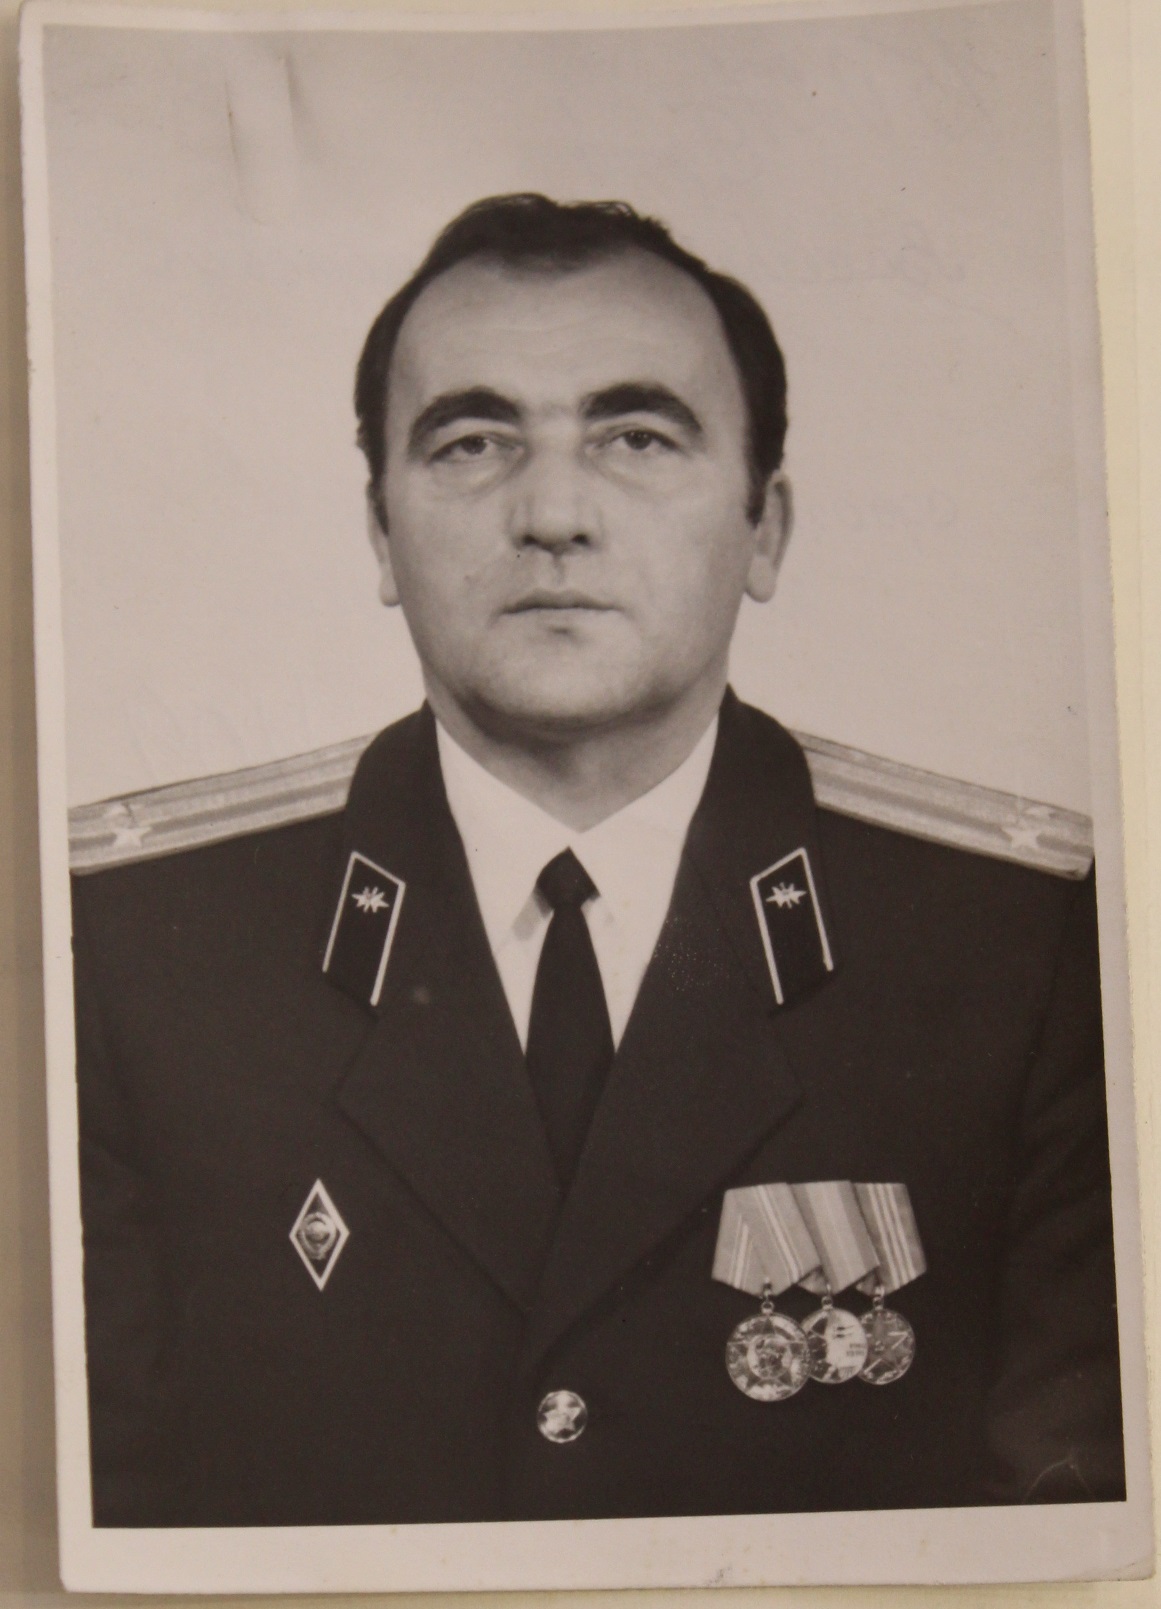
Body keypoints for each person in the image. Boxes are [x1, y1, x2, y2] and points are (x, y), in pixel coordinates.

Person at [73, 193, 1124, 1528]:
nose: (554, 512)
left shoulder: (1020, 947)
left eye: (637, 437)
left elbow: (1077, 1534)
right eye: (471, 442)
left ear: (764, 529)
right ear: (381, 535)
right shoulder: (132, 950)